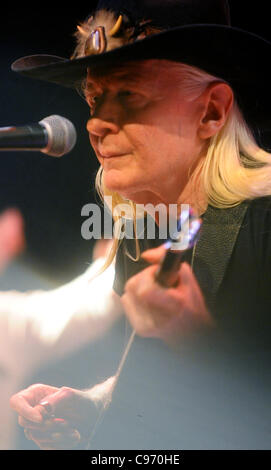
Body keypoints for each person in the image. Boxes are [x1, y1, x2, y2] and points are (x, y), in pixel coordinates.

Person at [9, 0, 271, 449]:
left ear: (211, 112)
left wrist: (193, 335)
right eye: (94, 98)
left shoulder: (263, 225)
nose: (95, 122)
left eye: (129, 94)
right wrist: (96, 404)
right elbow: (164, 387)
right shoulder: (145, 223)